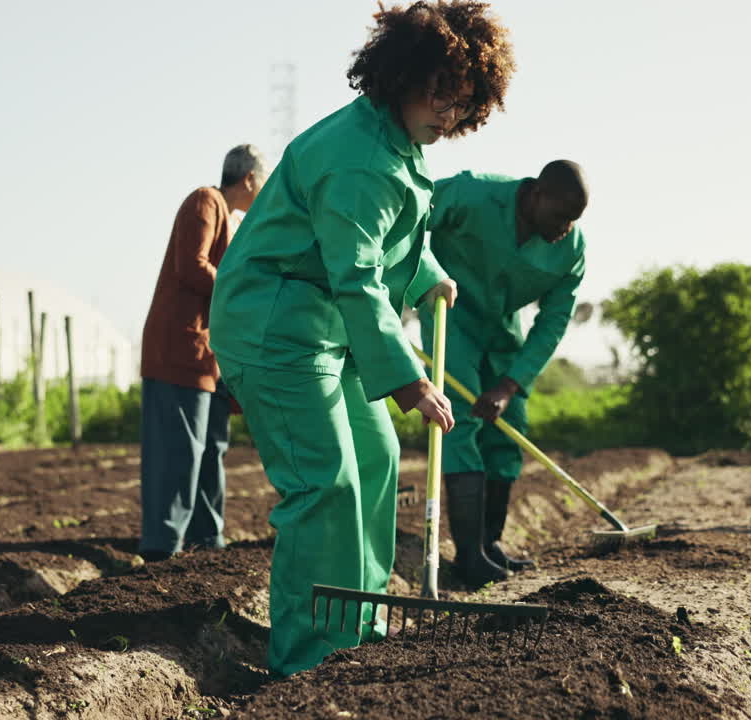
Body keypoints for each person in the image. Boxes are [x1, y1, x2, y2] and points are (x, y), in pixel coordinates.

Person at [209, 1, 515, 676]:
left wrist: (430, 273)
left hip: (327, 324)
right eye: (439, 94)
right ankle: (308, 652)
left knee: (374, 458)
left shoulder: (397, 143)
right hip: (275, 325)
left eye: (462, 104)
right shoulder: (359, 159)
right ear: (401, 75)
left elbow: (382, 244)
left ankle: (361, 620)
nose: (448, 115)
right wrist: (409, 382)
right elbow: (357, 278)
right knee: (325, 484)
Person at [422, 162, 588, 587]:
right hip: (450, 315)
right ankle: (468, 555)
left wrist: (509, 384)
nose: (564, 229)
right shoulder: (470, 194)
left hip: (500, 329)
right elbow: (408, 215)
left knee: (510, 423)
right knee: (457, 415)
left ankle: (489, 542)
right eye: (558, 217)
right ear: (535, 195)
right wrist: (416, 276)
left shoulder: (571, 248)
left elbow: (553, 322)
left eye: (573, 221)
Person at [138, 144, 266, 563]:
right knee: (181, 450)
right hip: (179, 349)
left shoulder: (231, 220)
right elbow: (190, 265)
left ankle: (206, 540)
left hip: (207, 357)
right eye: (262, 182)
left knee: (211, 448)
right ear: (249, 179)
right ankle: (164, 546)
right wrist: (241, 290)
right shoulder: (204, 201)